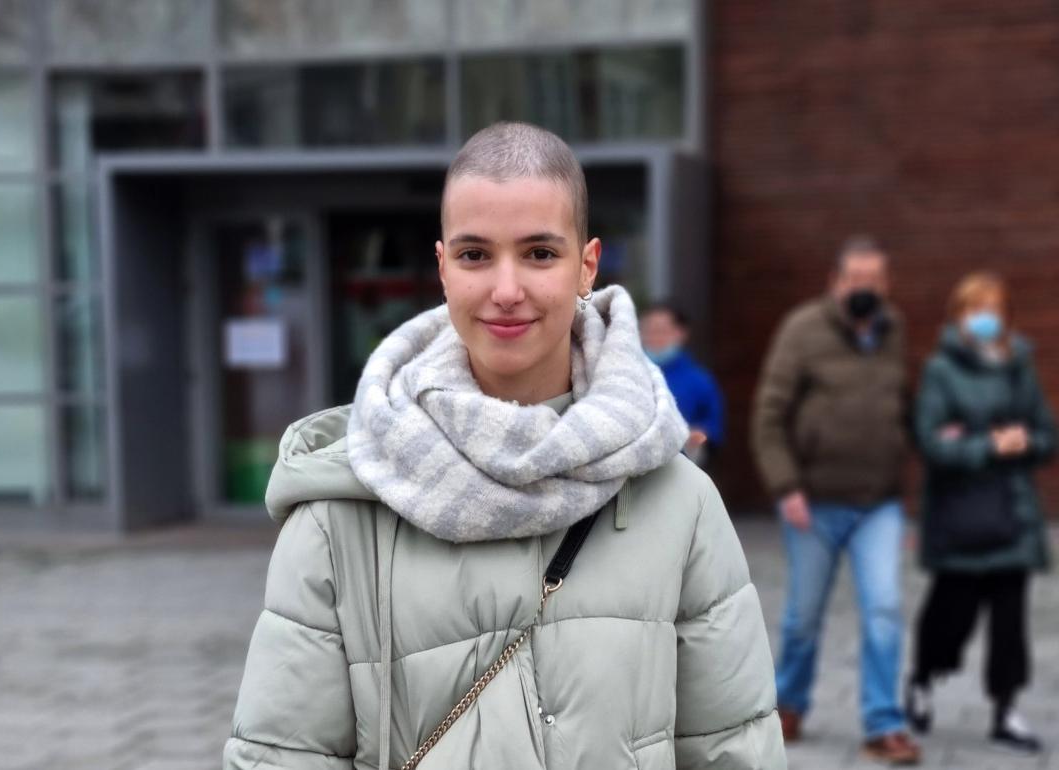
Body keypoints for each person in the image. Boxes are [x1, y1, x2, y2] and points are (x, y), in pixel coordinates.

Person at [224, 122, 787, 770]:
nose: (507, 288)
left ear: (587, 264)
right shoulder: (341, 509)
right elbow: (282, 756)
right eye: (475, 255)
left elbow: (733, 750)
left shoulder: (678, 503)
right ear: (442, 268)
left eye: (540, 253)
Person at [751, 236, 921, 765]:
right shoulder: (803, 330)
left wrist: (915, 496)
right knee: (802, 616)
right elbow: (769, 415)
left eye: (874, 280)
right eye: (855, 279)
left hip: (879, 504)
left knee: (886, 611)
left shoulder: (895, 331)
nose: (864, 288)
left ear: (885, 285)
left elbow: (906, 414)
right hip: (814, 503)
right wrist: (786, 487)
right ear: (835, 282)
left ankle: (883, 724)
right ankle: (789, 706)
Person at [905, 271, 1058, 754]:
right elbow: (930, 440)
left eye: (994, 308)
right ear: (958, 316)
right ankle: (924, 678)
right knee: (951, 614)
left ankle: (1006, 708)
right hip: (961, 516)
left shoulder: (1020, 365)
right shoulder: (941, 370)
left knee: (1011, 621)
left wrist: (1026, 441)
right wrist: (988, 444)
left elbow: (1048, 434)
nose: (986, 317)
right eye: (976, 308)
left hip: (1013, 513)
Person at [639, 303, 725, 467]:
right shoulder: (627, 374)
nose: (654, 337)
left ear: (681, 333)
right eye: (648, 331)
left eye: (662, 331)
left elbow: (712, 428)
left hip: (681, 464)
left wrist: (698, 437)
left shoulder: (699, 380)